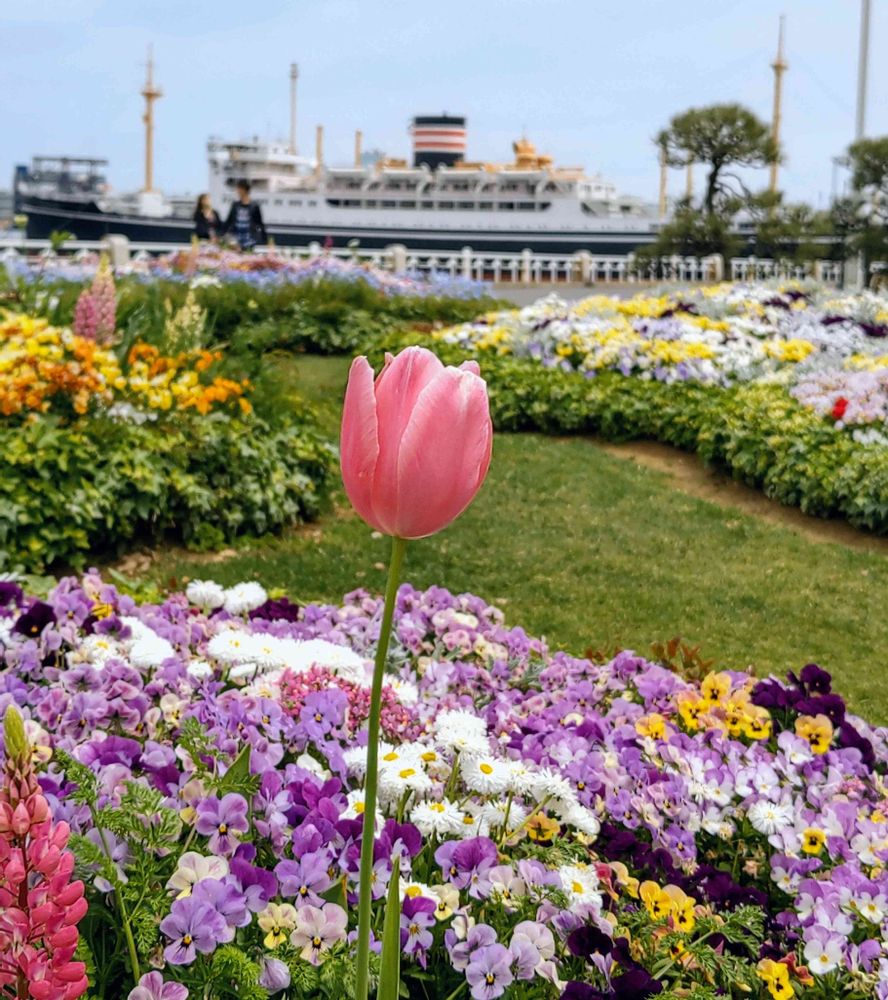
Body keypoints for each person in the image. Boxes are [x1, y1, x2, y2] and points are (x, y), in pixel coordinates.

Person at [220, 179, 267, 251]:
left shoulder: (254, 206)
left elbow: (259, 223)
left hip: (250, 240)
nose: (237, 191)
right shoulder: (235, 205)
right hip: (236, 241)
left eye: (239, 188)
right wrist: (221, 233)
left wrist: (265, 239)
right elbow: (229, 221)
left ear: (244, 189)